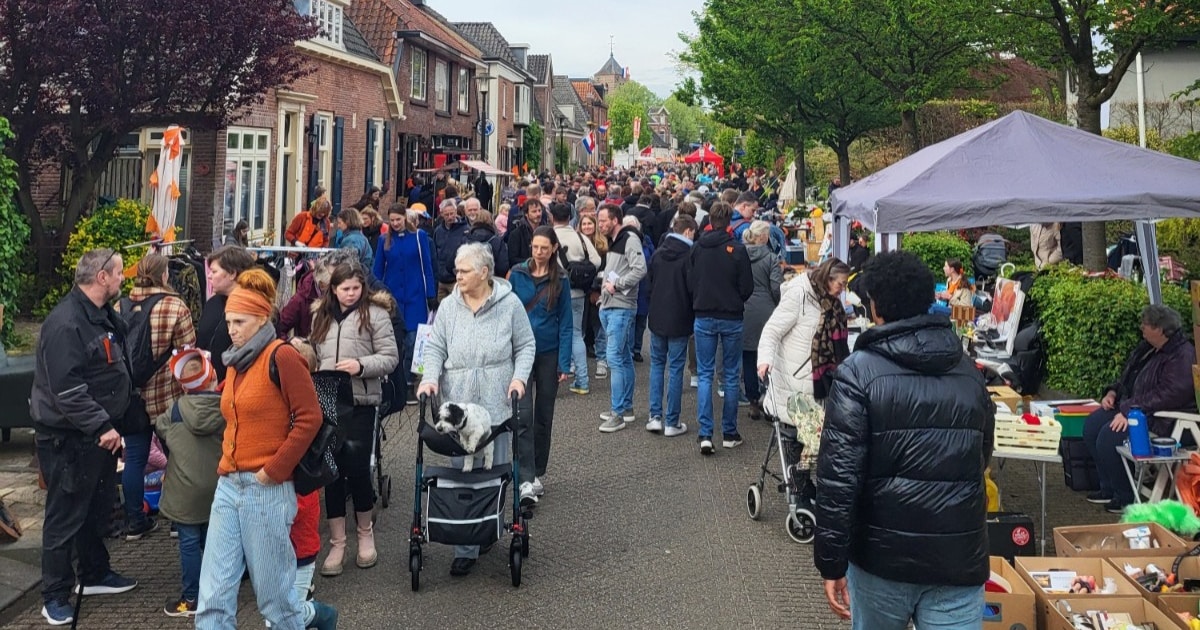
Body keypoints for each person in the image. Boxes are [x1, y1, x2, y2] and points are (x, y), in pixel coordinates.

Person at [815, 251, 994, 630]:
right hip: (956, 555)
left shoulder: (857, 373)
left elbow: (838, 478)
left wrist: (831, 561)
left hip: (883, 558)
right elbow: (982, 455)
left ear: (875, 306)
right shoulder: (968, 371)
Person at [195, 269, 324, 630]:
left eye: (239, 321)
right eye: (228, 321)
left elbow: (309, 417)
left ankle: (312, 616)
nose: (231, 329)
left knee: (276, 601)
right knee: (212, 597)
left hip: (265, 488)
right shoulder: (236, 362)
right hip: (228, 484)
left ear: (262, 318)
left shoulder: (281, 356)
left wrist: (274, 470)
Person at [29, 249, 140, 626]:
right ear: (102, 278)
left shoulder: (102, 315)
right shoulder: (66, 324)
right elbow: (68, 389)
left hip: (97, 436)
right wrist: (101, 426)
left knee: (95, 508)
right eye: (120, 273)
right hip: (69, 440)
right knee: (64, 514)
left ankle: (93, 574)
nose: (124, 278)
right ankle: (54, 595)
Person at [416, 243, 535, 577]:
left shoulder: (509, 304)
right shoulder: (449, 306)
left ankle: (488, 525)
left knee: (494, 470)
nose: (458, 276)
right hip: (458, 404)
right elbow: (436, 346)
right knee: (460, 473)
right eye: (456, 270)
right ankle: (465, 545)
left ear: (484, 272)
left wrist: (519, 378)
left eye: (464, 270)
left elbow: (526, 345)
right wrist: (429, 379)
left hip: (496, 404)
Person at [310, 263, 398, 575]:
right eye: (345, 288)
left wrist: (360, 365)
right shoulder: (320, 315)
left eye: (355, 288)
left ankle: (364, 534)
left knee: (359, 469)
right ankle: (337, 542)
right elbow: (314, 352)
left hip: (362, 399)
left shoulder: (375, 315)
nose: (351, 294)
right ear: (333, 289)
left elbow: (390, 357)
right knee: (330, 471)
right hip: (328, 399)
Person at [1082, 304, 1197, 513]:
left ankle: (1125, 496)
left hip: (1161, 420)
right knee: (1092, 425)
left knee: (1110, 436)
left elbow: (1171, 394)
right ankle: (1107, 486)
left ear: (1160, 329)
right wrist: (1112, 393)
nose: (1141, 328)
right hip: (1136, 408)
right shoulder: (1147, 348)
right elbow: (1129, 377)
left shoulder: (1182, 355)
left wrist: (1130, 409)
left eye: (1145, 325)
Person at [115, 253, 197, 540]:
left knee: (135, 458)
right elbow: (188, 356)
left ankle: (135, 522)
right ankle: (178, 521)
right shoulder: (175, 306)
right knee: (177, 456)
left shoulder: (120, 306)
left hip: (132, 399)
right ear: (165, 276)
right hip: (167, 397)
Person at [156, 348, 224, 618]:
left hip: (184, 490)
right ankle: (217, 592)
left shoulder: (175, 410)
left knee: (188, 542)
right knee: (213, 540)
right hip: (218, 486)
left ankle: (191, 598)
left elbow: (162, 428)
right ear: (213, 376)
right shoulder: (225, 407)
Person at [507, 226, 572, 505]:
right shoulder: (517, 274)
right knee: (522, 415)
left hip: (548, 352)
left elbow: (567, 322)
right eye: (535, 247)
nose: (539, 252)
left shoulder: (561, 279)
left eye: (544, 248)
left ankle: (536, 472)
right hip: (521, 351)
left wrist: (564, 362)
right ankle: (524, 475)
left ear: (554, 248)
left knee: (544, 414)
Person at [689, 202, 753, 454]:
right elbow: (747, 287)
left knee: (705, 374)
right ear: (728, 222)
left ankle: (705, 433)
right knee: (730, 374)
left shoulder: (696, 248)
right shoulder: (737, 249)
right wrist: (734, 299)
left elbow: (690, 280)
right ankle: (729, 431)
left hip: (704, 314)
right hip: (731, 316)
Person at [373, 204, 436, 401]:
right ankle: (395, 382)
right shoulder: (384, 240)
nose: (395, 223)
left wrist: (431, 294)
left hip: (415, 296)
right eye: (391, 220)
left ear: (404, 218)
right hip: (393, 298)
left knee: (412, 340)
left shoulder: (419, 237)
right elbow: (377, 270)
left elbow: (427, 265)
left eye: (398, 220)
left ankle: (409, 381)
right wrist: (375, 295)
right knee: (395, 341)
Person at [596, 203, 647, 433]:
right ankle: (625, 409)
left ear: (615, 220)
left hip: (621, 307)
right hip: (611, 305)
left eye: (603, 221)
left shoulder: (629, 239)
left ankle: (618, 412)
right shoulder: (618, 240)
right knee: (623, 357)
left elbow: (640, 269)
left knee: (615, 358)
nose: (600, 225)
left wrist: (615, 284)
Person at [646, 214, 697, 437]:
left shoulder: (657, 254)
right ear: (688, 232)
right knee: (675, 368)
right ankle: (672, 421)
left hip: (657, 315)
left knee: (657, 365)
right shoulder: (690, 256)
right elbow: (693, 288)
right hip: (680, 316)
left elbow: (649, 285)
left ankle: (655, 416)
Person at [551, 202, 601, 395]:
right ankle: (582, 380)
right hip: (578, 292)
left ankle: (558, 374)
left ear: (552, 216)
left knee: (555, 333)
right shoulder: (579, 236)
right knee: (576, 334)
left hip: (554, 290)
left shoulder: (549, 236)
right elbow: (596, 260)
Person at [740, 221, 783, 415]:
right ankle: (767, 395)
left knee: (748, 357)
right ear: (764, 237)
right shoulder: (771, 258)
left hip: (745, 309)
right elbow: (776, 287)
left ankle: (752, 399)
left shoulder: (739, 256)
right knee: (768, 355)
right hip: (767, 311)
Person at [197, 245, 257, 382]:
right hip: (207, 387)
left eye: (214, 271)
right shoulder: (212, 303)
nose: (208, 276)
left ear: (232, 273)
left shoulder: (254, 309)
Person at [433, 198, 471, 303]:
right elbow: (435, 253)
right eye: (446, 215)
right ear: (442, 214)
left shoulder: (465, 230)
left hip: (456, 280)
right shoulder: (438, 231)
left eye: (452, 213)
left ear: (456, 212)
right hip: (441, 280)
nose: (450, 217)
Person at [466, 209, 511, 277]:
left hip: (470, 278)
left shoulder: (466, 239)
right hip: (490, 279)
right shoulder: (497, 241)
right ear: (491, 221)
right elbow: (503, 267)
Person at [505, 197, 547, 264]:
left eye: (539, 210)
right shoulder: (516, 234)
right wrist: (532, 262)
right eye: (534, 211)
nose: (538, 214)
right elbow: (512, 259)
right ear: (526, 214)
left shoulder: (547, 231)